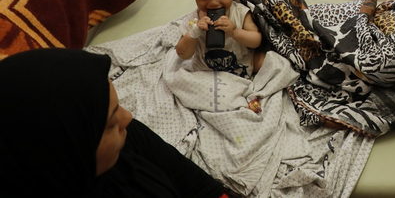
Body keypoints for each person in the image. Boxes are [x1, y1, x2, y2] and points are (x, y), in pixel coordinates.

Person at [0, 48, 237, 197]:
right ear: (67, 158)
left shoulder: (122, 139)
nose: (127, 117)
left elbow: (195, 183)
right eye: (110, 124)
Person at [177, 0, 264, 81]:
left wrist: (234, 32)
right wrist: (193, 33)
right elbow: (183, 54)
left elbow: (256, 41)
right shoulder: (192, 20)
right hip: (205, 71)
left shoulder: (240, 12)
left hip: (241, 65)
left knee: (272, 61)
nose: (213, 3)